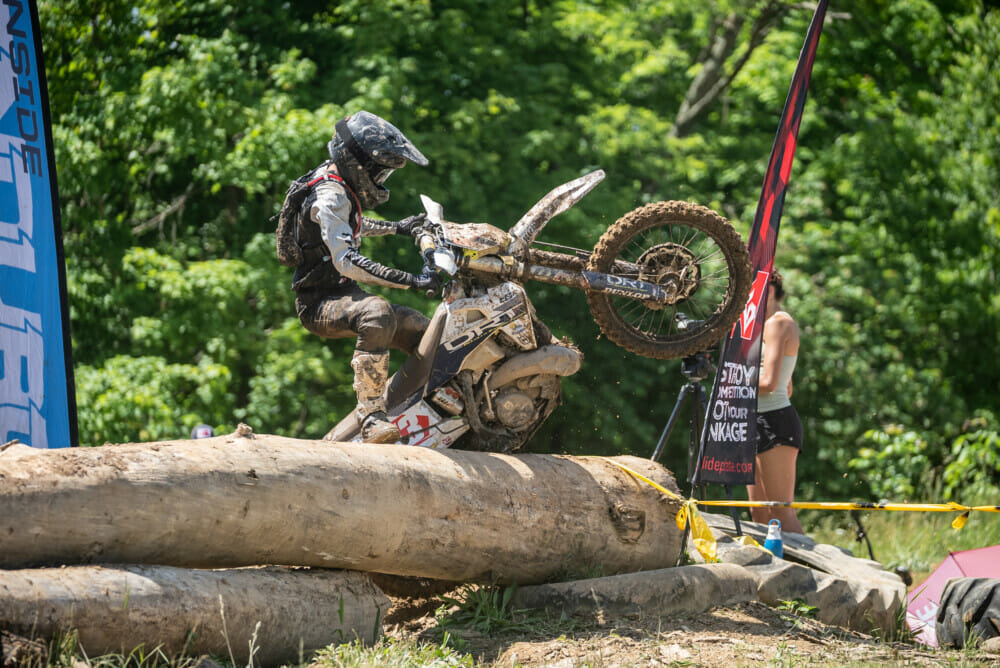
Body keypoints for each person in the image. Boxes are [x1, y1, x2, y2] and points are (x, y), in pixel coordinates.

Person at [282, 111, 439, 444]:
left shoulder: (336, 184)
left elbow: (349, 225)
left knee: (426, 331)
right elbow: (347, 261)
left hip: (342, 295)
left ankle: (440, 402)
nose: (380, 179)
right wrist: (412, 280)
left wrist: (397, 228)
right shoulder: (329, 194)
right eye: (379, 171)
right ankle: (371, 417)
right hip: (318, 304)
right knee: (377, 313)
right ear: (359, 163)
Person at [747, 270, 805, 534]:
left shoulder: (778, 323)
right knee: (759, 513)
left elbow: (770, 383)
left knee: (780, 513)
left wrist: (732, 384)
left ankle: (811, 562)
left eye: (748, 291)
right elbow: (788, 386)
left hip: (775, 421)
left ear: (768, 290)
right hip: (754, 420)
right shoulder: (762, 325)